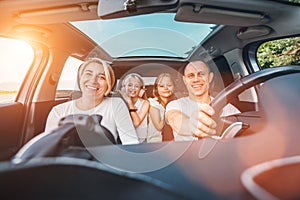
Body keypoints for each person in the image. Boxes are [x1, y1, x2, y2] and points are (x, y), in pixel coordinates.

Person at [45, 58, 139, 145]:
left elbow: (131, 143)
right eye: (88, 74)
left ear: (109, 85)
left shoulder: (115, 104)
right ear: (80, 79)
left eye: (101, 77)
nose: (93, 81)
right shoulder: (58, 111)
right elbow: (48, 148)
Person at [165, 60, 240, 141]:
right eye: (190, 76)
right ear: (185, 80)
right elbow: (174, 118)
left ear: (210, 77)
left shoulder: (227, 108)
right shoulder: (176, 105)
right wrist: (191, 124)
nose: (196, 79)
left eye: (201, 74)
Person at [119, 73, 150, 143]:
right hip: (124, 141)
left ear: (141, 89)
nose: (133, 88)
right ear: (123, 87)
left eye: (136, 86)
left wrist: (129, 102)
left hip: (141, 141)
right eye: (129, 85)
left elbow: (136, 123)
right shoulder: (119, 102)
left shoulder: (145, 103)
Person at [147, 73, 175, 143]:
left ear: (174, 87)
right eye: (162, 86)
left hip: (173, 142)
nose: (166, 88)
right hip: (156, 142)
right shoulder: (153, 103)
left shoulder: (176, 103)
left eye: (169, 85)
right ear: (156, 88)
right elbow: (159, 126)